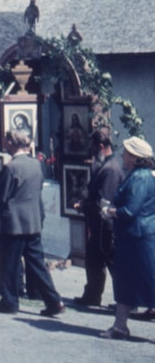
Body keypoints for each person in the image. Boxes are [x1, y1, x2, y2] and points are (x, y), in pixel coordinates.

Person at [0, 130, 65, 317]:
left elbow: (2, 196)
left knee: (9, 263)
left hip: (14, 223)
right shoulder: (36, 164)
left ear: (12, 143)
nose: (5, 144)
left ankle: (9, 301)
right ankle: (54, 301)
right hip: (32, 221)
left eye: (7, 141)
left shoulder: (11, 167)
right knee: (37, 263)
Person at [98, 136, 155, 339]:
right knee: (126, 282)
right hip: (134, 238)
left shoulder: (140, 178)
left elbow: (131, 211)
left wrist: (110, 211)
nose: (123, 155)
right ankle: (120, 326)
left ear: (136, 157)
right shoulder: (138, 175)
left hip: (138, 240)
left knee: (145, 282)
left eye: (127, 153)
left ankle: (120, 326)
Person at [73, 127, 125, 306]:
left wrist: (84, 206)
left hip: (106, 225)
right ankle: (92, 295)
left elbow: (104, 200)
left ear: (102, 146)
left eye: (94, 148)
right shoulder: (104, 166)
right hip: (98, 224)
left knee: (113, 264)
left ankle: (126, 301)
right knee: (94, 261)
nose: (92, 152)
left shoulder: (111, 169)